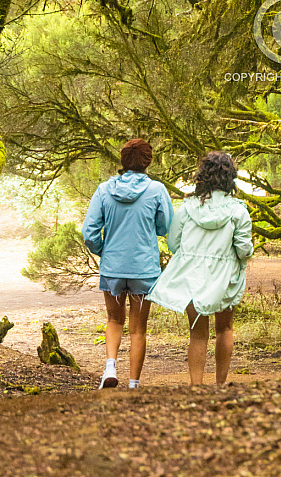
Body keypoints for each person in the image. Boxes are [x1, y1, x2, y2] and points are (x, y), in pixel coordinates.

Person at [148, 151, 253, 386]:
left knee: (197, 333)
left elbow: (174, 242)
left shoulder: (186, 208)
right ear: (230, 178)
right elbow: (244, 248)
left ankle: (196, 386)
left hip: (191, 277)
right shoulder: (238, 211)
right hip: (225, 278)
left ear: (202, 176)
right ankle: (220, 385)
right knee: (224, 328)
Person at [82, 138, 174, 390]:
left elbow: (89, 232)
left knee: (114, 320)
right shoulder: (156, 190)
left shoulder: (103, 190)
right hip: (143, 269)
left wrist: (105, 251)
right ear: (148, 162)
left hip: (112, 268)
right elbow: (165, 227)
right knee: (138, 329)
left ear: (123, 161)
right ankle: (133, 384)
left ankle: (110, 366)